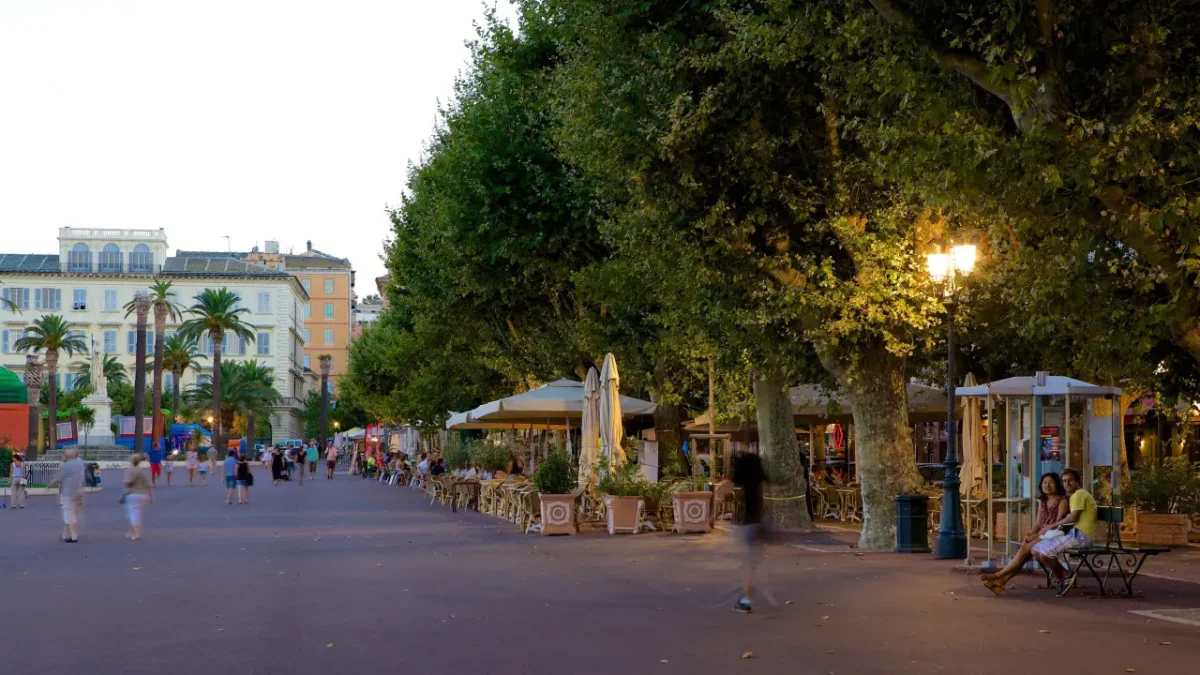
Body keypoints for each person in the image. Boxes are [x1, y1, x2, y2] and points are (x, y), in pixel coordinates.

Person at [984, 468, 1096, 595]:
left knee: (1027, 551)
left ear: (1077, 481)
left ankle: (999, 575)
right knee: (1026, 552)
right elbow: (1039, 522)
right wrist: (1030, 534)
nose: (1067, 483)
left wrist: (1038, 535)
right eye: (1064, 481)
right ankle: (1000, 581)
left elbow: (1063, 523)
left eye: (1051, 482)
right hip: (1058, 534)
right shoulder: (1045, 501)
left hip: (1063, 534)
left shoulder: (1067, 499)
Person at [731, 448, 766, 613]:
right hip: (756, 523)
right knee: (749, 565)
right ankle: (746, 597)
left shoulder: (746, 485)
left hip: (750, 525)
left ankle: (746, 600)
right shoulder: (758, 484)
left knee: (748, 566)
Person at [47, 449, 86, 543]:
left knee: (68, 513)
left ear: (66, 456)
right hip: (78, 491)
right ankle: (66, 533)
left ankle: (73, 535)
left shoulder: (65, 466)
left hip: (67, 492)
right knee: (73, 512)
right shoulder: (80, 464)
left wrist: (48, 486)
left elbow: (57, 479)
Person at [123, 453, 153, 540]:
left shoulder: (130, 470)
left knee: (133, 514)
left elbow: (127, 483)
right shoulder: (143, 471)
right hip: (143, 495)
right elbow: (149, 485)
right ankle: (131, 532)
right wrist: (151, 497)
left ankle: (137, 534)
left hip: (133, 494)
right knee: (135, 512)